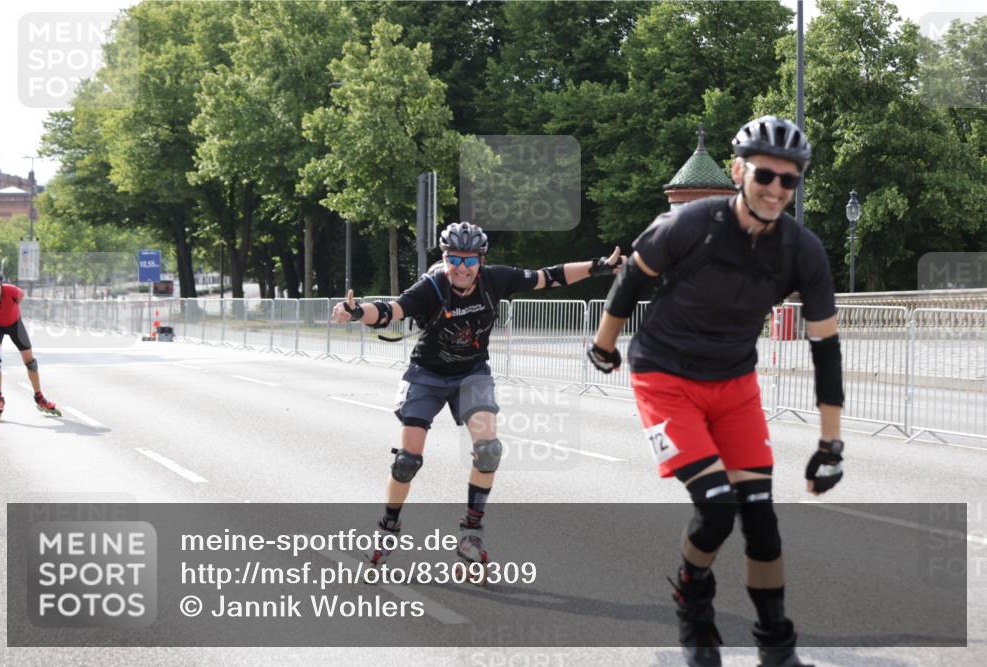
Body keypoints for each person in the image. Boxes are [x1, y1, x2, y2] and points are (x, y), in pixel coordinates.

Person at [587, 116, 844, 667]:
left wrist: (830, 443)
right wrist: (604, 346)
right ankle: (693, 604)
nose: (776, 189)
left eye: (789, 180)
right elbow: (633, 277)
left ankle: (777, 645)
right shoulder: (693, 224)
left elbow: (826, 348)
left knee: (762, 520)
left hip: (733, 385)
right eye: (765, 175)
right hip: (665, 378)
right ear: (738, 171)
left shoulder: (803, 251)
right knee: (716, 508)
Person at [332, 222, 621, 576]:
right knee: (408, 460)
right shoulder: (432, 287)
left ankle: (471, 532)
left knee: (488, 450)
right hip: (427, 375)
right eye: (454, 258)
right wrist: (358, 312)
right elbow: (392, 310)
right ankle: (387, 528)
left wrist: (598, 266)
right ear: (445, 257)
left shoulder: (495, 279)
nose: (462, 268)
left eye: (469, 260)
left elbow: (549, 277)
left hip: (471, 374)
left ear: (481, 261)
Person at [0, 267, 61, 419]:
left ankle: (39, 397)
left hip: (15, 325)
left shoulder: (13, 291)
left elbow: (20, 298)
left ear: (1, 284)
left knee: (31, 363)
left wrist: (11, 312)